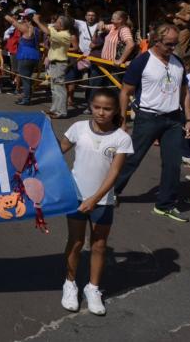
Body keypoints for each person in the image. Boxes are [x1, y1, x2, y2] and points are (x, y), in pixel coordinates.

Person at [59, 88, 132, 315]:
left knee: (99, 245)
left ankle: (93, 288)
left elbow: (114, 172)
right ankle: (70, 284)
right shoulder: (78, 128)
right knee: (76, 241)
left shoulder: (122, 138)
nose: (101, 112)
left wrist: (96, 198)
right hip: (76, 198)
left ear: (115, 111)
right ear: (90, 106)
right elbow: (56, 151)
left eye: (107, 109)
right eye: (97, 107)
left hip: (102, 201)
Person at [113, 23, 190, 222]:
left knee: (173, 164)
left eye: (175, 44)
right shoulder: (142, 61)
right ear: (155, 41)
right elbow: (125, 92)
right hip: (148, 118)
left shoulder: (177, 62)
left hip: (174, 119)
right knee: (132, 158)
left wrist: (189, 119)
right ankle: (111, 191)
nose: (172, 48)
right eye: (168, 44)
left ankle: (165, 204)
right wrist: (122, 121)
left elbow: (185, 92)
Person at [34, 14, 74, 119]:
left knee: (59, 88)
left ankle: (61, 112)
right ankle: (54, 109)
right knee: (54, 88)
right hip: (54, 63)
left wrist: (37, 21)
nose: (55, 23)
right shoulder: (59, 31)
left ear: (61, 25)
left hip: (59, 63)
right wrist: (40, 20)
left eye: (57, 22)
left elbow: (47, 31)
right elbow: (47, 28)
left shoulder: (65, 34)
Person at [5, 9, 41, 106]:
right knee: (27, 78)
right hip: (34, 55)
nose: (22, 18)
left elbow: (11, 20)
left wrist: (6, 12)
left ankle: (26, 99)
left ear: (27, 19)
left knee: (25, 79)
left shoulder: (26, 28)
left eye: (24, 17)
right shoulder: (37, 30)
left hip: (25, 56)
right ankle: (26, 96)